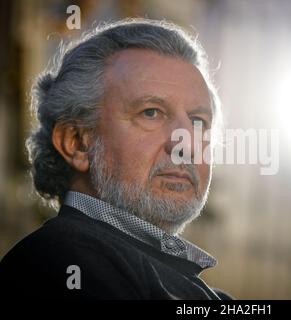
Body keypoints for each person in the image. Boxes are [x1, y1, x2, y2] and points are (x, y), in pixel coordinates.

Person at [0, 18, 231, 300]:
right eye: (151, 112)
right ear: (76, 143)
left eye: (198, 121)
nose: (188, 144)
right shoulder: (58, 264)